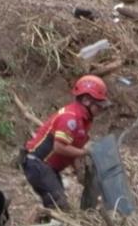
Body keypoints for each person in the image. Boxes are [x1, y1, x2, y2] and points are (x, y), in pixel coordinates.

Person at [21, 75, 110, 211]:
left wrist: (78, 171)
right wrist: (86, 152)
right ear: (86, 100)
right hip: (38, 163)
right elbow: (59, 147)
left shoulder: (83, 120)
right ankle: (38, 222)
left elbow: (72, 149)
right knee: (59, 205)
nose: (100, 110)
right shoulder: (70, 118)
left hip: (48, 167)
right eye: (98, 106)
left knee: (58, 204)